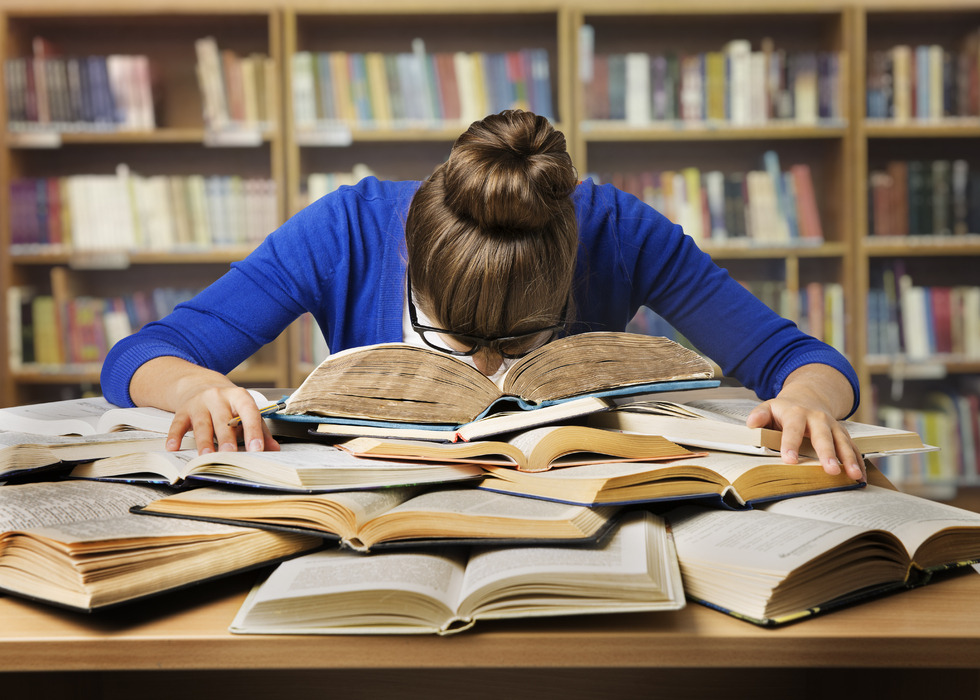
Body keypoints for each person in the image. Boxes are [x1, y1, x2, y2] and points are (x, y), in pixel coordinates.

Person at [100, 109, 865, 482]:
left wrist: (808, 401)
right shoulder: (346, 231)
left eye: (524, 344)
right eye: (454, 341)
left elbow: (798, 358)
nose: (490, 376)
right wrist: (197, 386)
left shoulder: (617, 230)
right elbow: (140, 356)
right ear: (411, 265)